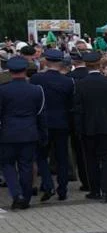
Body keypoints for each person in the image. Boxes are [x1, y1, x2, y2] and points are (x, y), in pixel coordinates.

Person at [73, 51, 107, 203]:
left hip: (87, 129)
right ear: (100, 64)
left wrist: (79, 130)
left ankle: (95, 190)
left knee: (91, 159)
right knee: (106, 159)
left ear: (86, 65)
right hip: (106, 127)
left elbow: (78, 110)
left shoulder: (80, 84)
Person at [0, 56, 46, 209]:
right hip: (29, 132)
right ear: (25, 70)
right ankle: (25, 198)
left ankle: (16, 193)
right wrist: (43, 134)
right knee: (26, 165)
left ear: (10, 71)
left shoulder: (3, 90)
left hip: (7, 133)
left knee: (7, 165)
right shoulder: (36, 90)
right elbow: (41, 114)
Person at [31, 49, 75, 202]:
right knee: (62, 157)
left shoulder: (37, 79)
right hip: (62, 123)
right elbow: (71, 105)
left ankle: (48, 184)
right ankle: (62, 189)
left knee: (41, 156)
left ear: (46, 61)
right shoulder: (68, 81)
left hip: (43, 123)